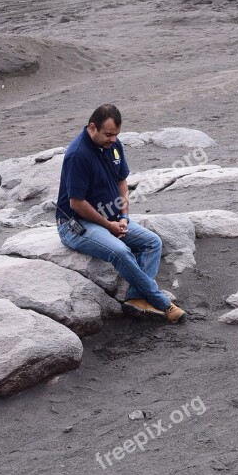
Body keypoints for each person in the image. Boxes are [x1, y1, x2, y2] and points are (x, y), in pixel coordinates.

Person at [56, 104, 186, 324]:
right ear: (92, 128)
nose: (113, 139)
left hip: (112, 217)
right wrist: (109, 226)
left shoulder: (114, 146)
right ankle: (163, 303)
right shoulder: (78, 154)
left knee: (152, 242)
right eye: (108, 134)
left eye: (116, 134)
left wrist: (124, 216)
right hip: (75, 223)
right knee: (120, 250)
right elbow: (77, 203)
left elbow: (122, 183)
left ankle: (136, 300)